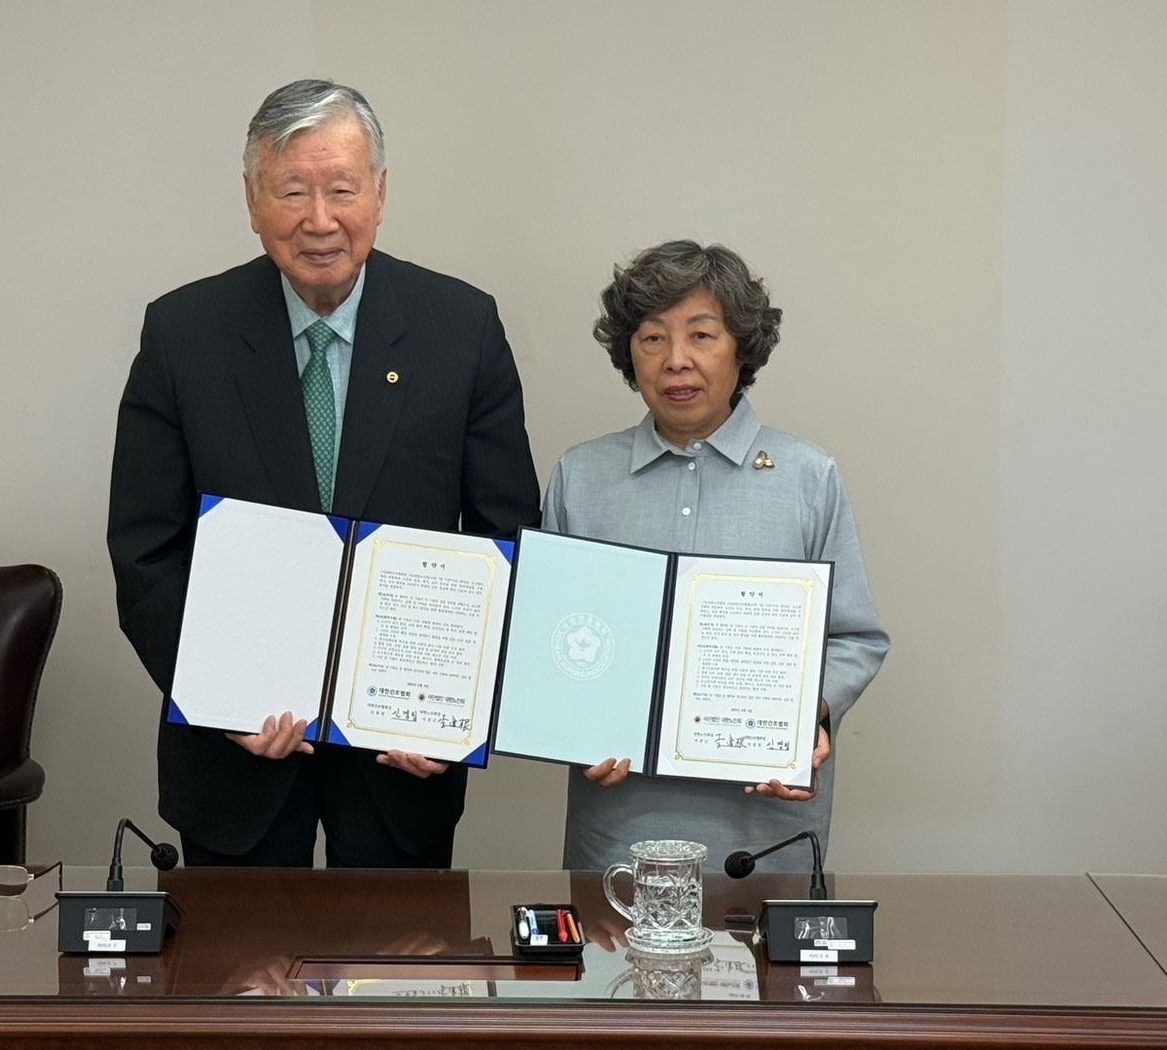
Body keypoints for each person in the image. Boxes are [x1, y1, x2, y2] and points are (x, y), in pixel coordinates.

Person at [107, 79, 540, 869]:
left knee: (392, 983)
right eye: (292, 191)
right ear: (250, 198)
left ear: (379, 192)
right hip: (236, 755)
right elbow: (144, 550)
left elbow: (506, 541)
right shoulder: (184, 333)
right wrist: (215, 698)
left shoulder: (461, 329)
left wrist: (452, 714)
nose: (319, 220)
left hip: (401, 764)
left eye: (341, 189)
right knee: (234, 984)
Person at [543, 240, 889, 873]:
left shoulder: (807, 476)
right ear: (629, 353)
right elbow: (552, 641)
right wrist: (572, 722)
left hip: (764, 824)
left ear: (741, 347)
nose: (677, 361)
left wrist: (802, 715)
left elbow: (856, 638)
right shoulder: (580, 476)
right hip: (620, 822)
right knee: (616, 970)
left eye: (701, 335)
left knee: (761, 973)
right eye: (652, 339)